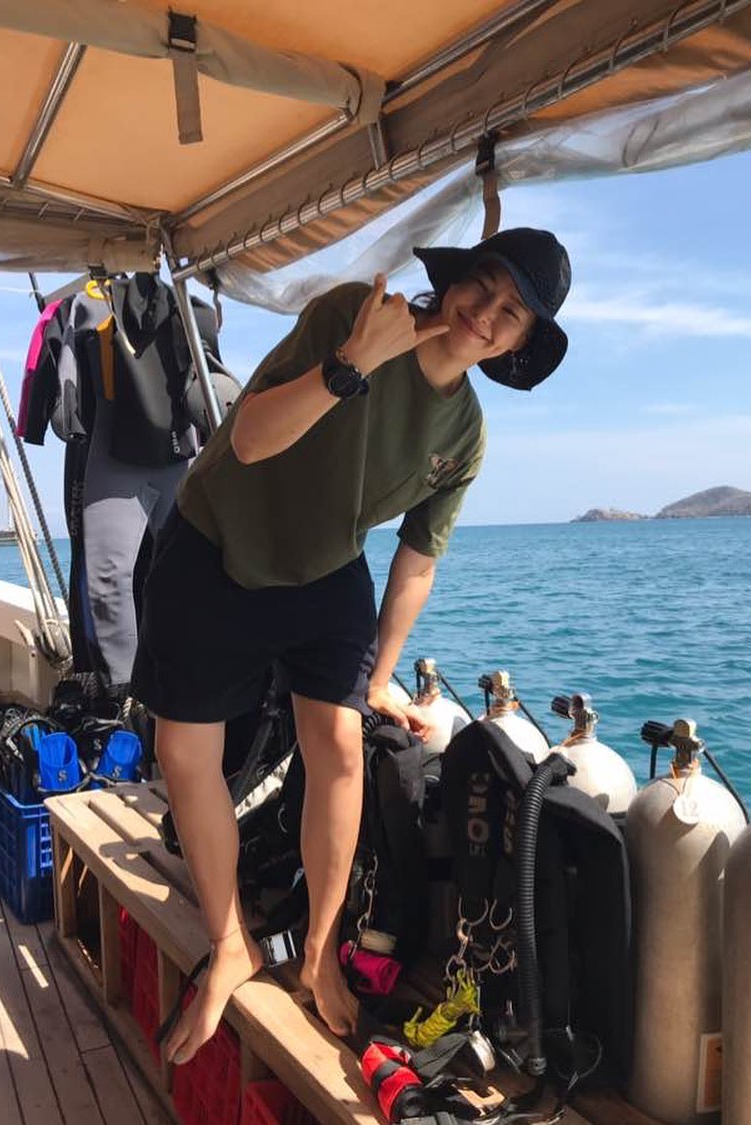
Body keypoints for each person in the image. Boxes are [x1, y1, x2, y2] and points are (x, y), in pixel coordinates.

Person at [130, 226, 572, 1064]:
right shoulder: (352, 316)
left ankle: (321, 953)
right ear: (456, 280)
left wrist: (379, 672)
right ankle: (230, 943)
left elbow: (418, 558)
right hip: (218, 538)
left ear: (518, 342)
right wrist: (354, 362)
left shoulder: (466, 434)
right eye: (484, 286)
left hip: (327, 565)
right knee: (184, 752)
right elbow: (251, 439)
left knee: (337, 743)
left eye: (512, 313)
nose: (486, 314)